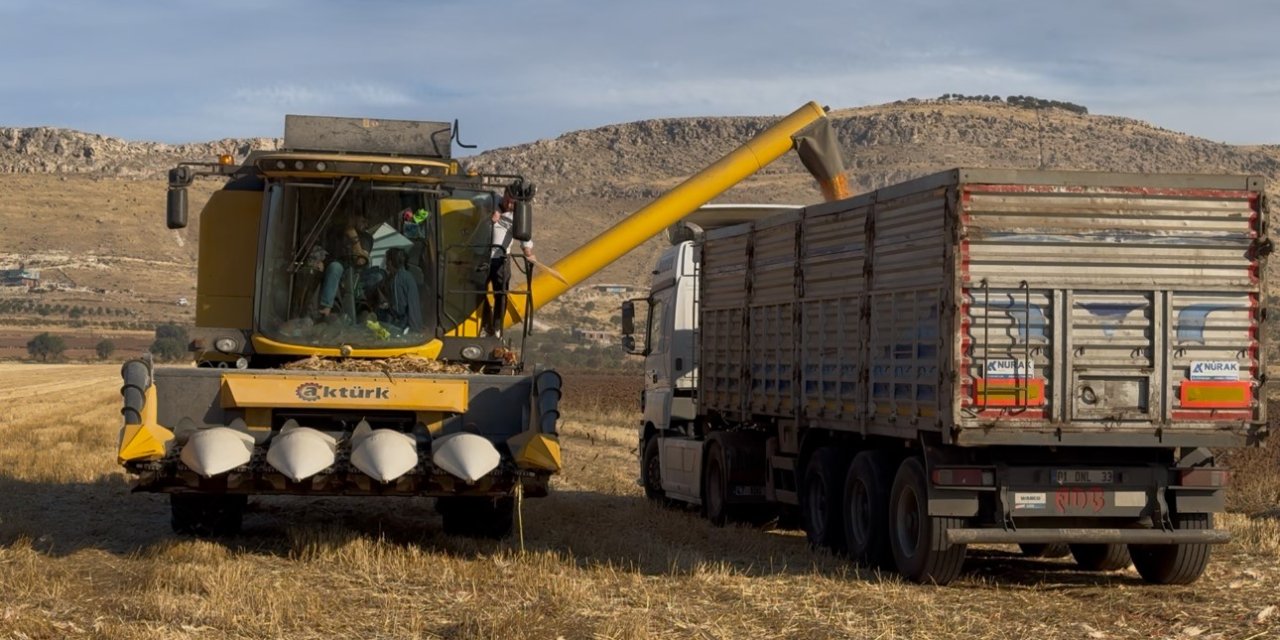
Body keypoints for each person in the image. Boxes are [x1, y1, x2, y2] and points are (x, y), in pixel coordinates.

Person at [481, 186, 535, 337]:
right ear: (503, 195)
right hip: (480, 257)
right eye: (507, 201)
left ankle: (497, 328)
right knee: (477, 292)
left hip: (501, 259)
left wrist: (528, 253)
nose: (509, 205)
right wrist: (489, 219)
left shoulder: (518, 215)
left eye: (513, 203)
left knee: (501, 293)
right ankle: (486, 322)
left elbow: (525, 238)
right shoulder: (489, 201)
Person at [318, 212, 377, 319]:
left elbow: (361, 261)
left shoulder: (366, 237)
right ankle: (325, 308)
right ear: (353, 218)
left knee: (336, 268)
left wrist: (353, 237)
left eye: (367, 222)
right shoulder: (336, 235)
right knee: (334, 267)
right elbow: (329, 253)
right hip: (337, 271)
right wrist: (321, 262)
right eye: (363, 221)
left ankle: (328, 306)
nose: (366, 225)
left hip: (356, 275)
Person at [378, 247, 423, 333]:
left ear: (390, 262)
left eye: (387, 260)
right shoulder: (407, 275)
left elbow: (399, 310)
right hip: (415, 324)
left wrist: (387, 306)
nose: (386, 264)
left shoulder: (397, 279)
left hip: (407, 328)